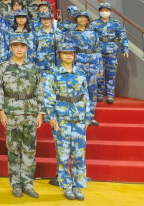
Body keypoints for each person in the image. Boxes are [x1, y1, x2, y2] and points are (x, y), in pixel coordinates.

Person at [0, 36, 45, 199]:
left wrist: (40, 112)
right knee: (14, 151)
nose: (19, 49)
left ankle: (28, 184)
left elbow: (39, 91)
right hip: (11, 113)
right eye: (15, 46)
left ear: (26, 49)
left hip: (30, 113)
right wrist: (1, 110)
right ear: (10, 48)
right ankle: (16, 184)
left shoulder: (33, 68)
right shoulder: (3, 68)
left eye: (22, 46)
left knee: (29, 150)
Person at [44, 43, 90, 201]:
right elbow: (48, 96)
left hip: (78, 119)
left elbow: (86, 95)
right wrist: (51, 116)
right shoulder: (53, 73)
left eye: (71, 53)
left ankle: (78, 186)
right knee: (63, 155)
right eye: (65, 53)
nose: (69, 55)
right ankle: (66, 186)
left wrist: (87, 117)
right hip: (61, 119)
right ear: (59, 55)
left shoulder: (80, 72)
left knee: (79, 155)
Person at [65, 11, 102, 125]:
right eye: (79, 17)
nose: (81, 19)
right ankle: (78, 116)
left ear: (87, 20)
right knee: (77, 90)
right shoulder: (71, 33)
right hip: (77, 64)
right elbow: (67, 51)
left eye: (84, 18)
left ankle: (90, 117)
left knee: (92, 91)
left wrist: (100, 68)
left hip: (92, 65)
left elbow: (98, 51)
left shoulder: (93, 33)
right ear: (76, 19)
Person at [90, 3, 129, 104]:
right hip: (98, 52)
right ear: (99, 11)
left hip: (111, 52)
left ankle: (110, 95)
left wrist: (125, 49)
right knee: (99, 74)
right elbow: (90, 38)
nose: (104, 12)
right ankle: (99, 94)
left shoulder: (116, 23)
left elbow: (122, 36)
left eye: (106, 10)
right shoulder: (94, 24)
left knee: (111, 74)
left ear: (110, 12)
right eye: (102, 10)